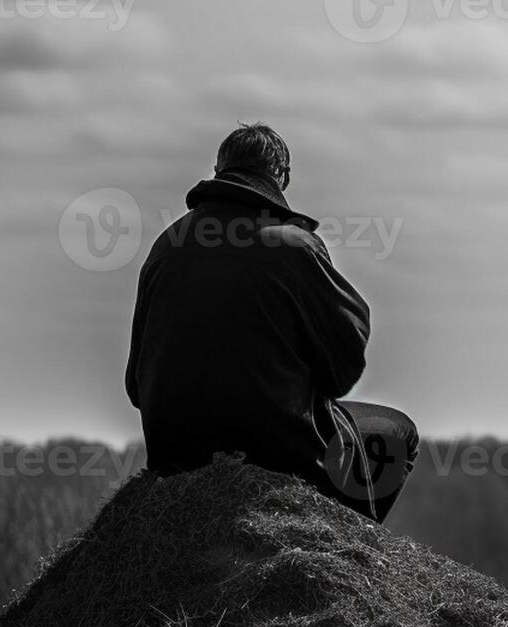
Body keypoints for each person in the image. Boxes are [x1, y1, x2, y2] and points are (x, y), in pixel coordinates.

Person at [125, 123, 417, 523]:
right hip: (279, 457)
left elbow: (134, 387)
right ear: (283, 177)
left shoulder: (165, 245)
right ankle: (352, 543)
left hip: (176, 457)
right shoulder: (293, 244)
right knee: (397, 432)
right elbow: (342, 367)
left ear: (217, 170)